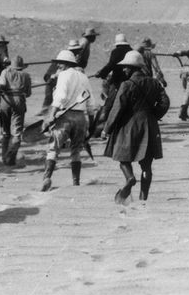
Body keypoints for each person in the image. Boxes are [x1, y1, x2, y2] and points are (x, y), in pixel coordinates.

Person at [102, 50, 170, 203]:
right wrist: (154, 116)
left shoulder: (127, 85)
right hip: (150, 127)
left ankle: (130, 178)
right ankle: (143, 198)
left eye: (126, 67)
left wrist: (107, 129)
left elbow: (117, 108)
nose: (124, 69)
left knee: (123, 158)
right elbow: (165, 102)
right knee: (147, 165)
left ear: (133, 68)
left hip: (129, 127)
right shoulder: (154, 82)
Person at [40, 50, 97, 191]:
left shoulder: (64, 75)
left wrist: (51, 115)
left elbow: (60, 97)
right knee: (76, 150)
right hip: (80, 118)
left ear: (65, 63)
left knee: (53, 148)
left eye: (60, 63)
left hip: (64, 116)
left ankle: (47, 178)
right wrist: (91, 124)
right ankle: (76, 182)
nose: (58, 65)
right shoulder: (83, 77)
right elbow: (91, 102)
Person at [92, 33, 133, 137]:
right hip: (130, 82)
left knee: (110, 105)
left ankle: (103, 129)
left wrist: (101, 73)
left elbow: (111, 64)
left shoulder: (116, 51)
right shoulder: (131, 51)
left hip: (117, 82)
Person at [0, 55, 33, 165]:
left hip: (6, 101)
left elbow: (0, 86)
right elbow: (29, 93)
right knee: (16, 133)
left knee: (6, 132)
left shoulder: (5, 72)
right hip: (19, 101)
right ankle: (10, 157)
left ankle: (4, 157)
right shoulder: (26, 75)